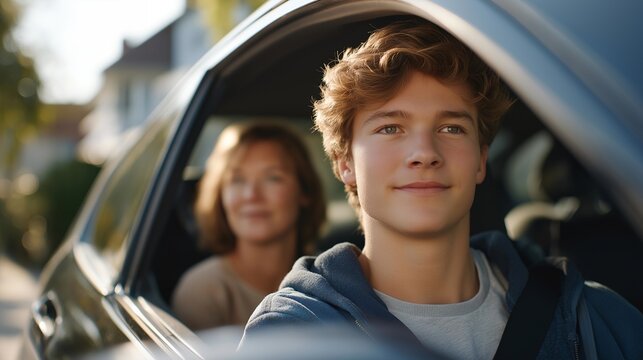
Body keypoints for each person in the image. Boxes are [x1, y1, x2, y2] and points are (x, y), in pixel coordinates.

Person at [240, 19, 643, 359]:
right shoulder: (290, 339)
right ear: (345, 164)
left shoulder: (593, 317)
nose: (424, 153)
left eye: (451, 128)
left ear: (481, 160)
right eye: (390, 128)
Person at [172, 122, 326, 330]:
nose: (251, 195)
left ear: (304, 191)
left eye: (273, 178)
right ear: (221, 195)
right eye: (237, 180)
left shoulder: (329, 280)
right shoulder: (201, 291)